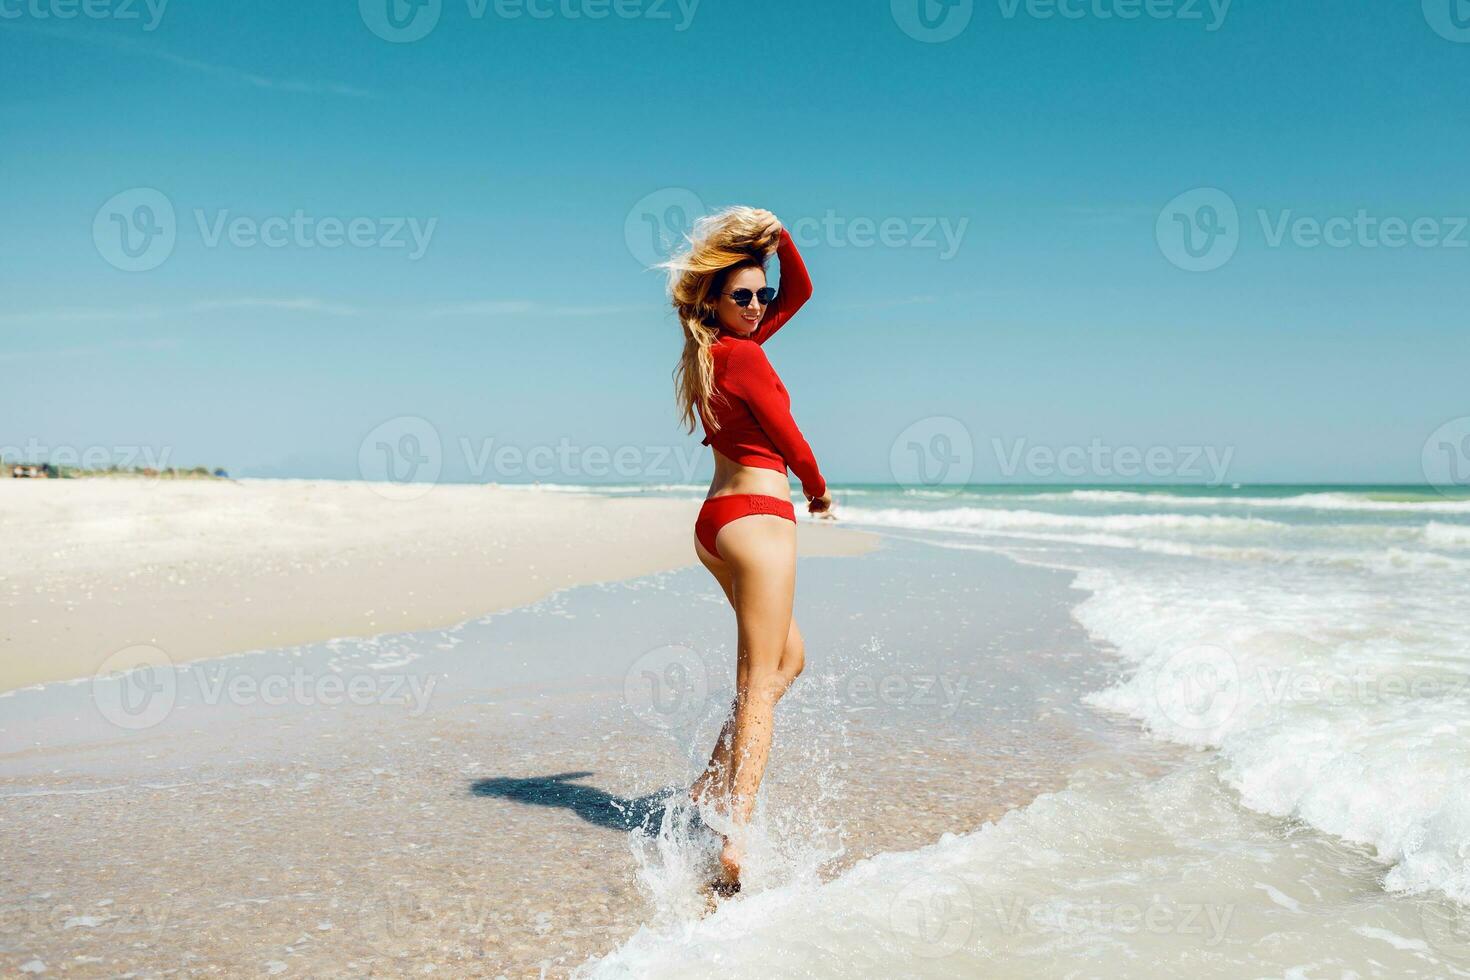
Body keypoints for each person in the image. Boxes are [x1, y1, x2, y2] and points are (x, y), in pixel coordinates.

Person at [661, 206, 832, 891]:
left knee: (789, 658)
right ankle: (737, 835)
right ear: (714, 300)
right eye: (744, 296)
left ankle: (709, 784)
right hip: (760, 520)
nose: (760, 305)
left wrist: (775, 235)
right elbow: (786, 434)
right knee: (758, 685)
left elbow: (801, 292)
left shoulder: (710, 350)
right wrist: (816, 487)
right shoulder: (746, 356)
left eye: (762, 294)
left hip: (715, 522)